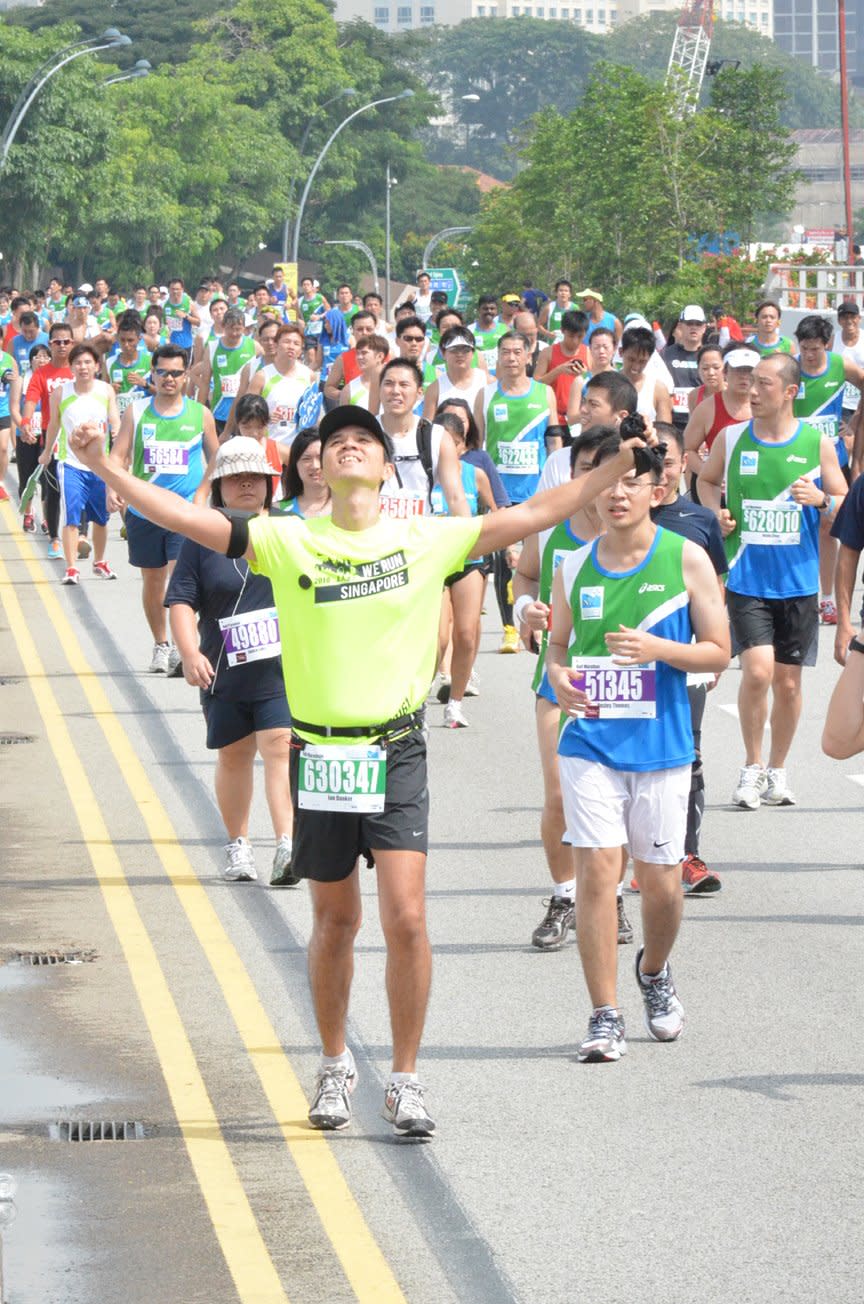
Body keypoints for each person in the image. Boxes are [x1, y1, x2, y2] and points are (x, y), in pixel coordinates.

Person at [70, 399, 652, 1137]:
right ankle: (336, 1062)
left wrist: (621, 464)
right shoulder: (286, 540)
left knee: (407, 916)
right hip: (319, 751)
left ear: (384, 466)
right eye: (335, 441)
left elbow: (536, 511)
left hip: (396, 748)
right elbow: (187, 522)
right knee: (335, 920)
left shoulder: (426, 538)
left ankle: (405, 1078)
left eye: (363, 442)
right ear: (318, 464)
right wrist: (101, 464)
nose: (348, 448)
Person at [547, 428, 730, 1061]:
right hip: (589, 742)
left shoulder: (685, 557)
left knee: (661, 885)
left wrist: (659, 651)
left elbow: (719, 651)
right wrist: (558, 681)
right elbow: (559, 650)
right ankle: (604, 1013)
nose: (618, 493)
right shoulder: (573, 564)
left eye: (632, 481)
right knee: (599, 873)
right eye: (608, 481)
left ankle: (653, 970)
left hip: (662, 748)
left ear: (657, 489)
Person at [698, 352, 847, 809]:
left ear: (789, 392)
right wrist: (714, 515)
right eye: (750, 382)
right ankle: (752, 764)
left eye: (764, 383)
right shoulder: (732, 437)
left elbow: (842, 500)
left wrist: (821, 498)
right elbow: (705, 481)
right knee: (758, 672)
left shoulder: (816, 444)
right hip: (746, 577)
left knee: (788, 684)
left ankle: (778, 769)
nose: (752, 391)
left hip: (798, 583)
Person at [513, 427, 628, 949]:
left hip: (622, 683)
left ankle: (612, 898)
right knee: (559, 793)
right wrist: (525, 609)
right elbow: (525, 579)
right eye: (583, 469)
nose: (592, 480)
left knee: (616, 799)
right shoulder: (551, 524)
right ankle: (564, 895)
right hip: (559, 678)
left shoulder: (633, 532)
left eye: (602, 469)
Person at [165, 437, 296, 887]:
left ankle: (287, 846)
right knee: (234, 755)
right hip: (223, 671)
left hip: (283, 670)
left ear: (269, 484)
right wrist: (188, 653)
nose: (245, 484)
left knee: (281, 748)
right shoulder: (202, 536)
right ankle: (238, 844)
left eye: (254, 477)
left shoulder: (290, 529)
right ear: (219, 485)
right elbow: (181, 599)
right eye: (234, 477)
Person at [648, 424, 728, 894]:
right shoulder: (619, 516)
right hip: (626, 664)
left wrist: (714, 652)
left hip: (685, 661)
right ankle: (639, 855)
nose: (661, 467)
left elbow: (716, 590)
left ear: (683, 465)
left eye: (669, 458)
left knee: (689, 755)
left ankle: (686, 855)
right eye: (652, 457)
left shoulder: (699, 520)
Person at [109, 343, 218, 673]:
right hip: (144, 512)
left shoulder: (200, 414)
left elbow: (217, 458)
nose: (169, 379)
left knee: (179, 580)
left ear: (186, 376)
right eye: (162, 372)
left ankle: (186, 649)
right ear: (152, 374)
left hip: (184, 514)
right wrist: (113, 487)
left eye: (175, 373)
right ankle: (161, 645)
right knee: (153, 582)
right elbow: (118, 456)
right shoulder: (138, 411)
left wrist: (202, 493)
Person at [475, 330, 560, 652]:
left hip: (536, 490)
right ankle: (510, 627)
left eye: (516, 352)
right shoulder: (486, 395)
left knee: (536, 559)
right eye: (505, 352)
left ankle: (541, 618)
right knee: (501, 561)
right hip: (500, 492)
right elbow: (479, 446)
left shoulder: (544, 393)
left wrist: (557, 475)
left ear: (528, 356)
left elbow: (553, 438)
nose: (511, 358)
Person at [430, 409, 499, 728]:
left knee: (467, 634)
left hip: (470, 560)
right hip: (435, 561)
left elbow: (495, 512)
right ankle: (416, 702)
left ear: (462, 445)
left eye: (454, 442)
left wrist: (507, 546)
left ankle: (454, 704)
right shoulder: (425, 473)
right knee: (439, 638)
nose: (448, 448)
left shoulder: (476, 474)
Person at [793, 314, 864, 625]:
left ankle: (827, 600)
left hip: (832, 461)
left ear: (827, 344)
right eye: (805, 347)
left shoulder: (840, 365)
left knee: (829, 526)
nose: (809, 354)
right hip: (795, 459)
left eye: (815, 348)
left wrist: (855, 420)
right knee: (794, 529)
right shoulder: (790, 368)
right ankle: (799, 595)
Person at [38, 342, 121, 585]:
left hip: (99, 465)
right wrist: (46, 453)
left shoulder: (105, 390)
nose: (83, 367)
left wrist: (117, 439)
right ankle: (72, 567)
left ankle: (100, 561)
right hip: (70, 463)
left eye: (87, 363)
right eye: (78, 363)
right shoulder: (61, 392)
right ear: (71, 366)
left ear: (96, 365)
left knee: (102, 519)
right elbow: (53, 424)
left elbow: (114, 419)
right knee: (71, 516)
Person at [21, 321, 76, 559]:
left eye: (66, 342)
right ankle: (54, 538)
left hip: (78, 438)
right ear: (50, 343)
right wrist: (25, 422)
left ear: (72, 343)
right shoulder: (41, 375)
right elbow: (31, 400)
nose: (62, 346)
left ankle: (79, 535)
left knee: (76, 489)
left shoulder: (79, 369)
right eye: (57, 342)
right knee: (52, 490)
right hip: (51, 438)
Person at [683, 345, 757, 498]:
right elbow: (687, 449)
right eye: (738, 370)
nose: (744, 376)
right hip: (717, 494)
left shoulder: (768, 405)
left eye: (749, 370)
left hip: (755, 492)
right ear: (725, 373)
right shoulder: (707, 408)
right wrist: (709, 474)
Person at [11, 342, 50, 531]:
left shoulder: (53, 381)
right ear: (31, 360)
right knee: (26, 477)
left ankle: (47, 517)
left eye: (45, 356)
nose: (41, 360)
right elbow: (14, 409)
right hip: (25, 436)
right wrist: (24, 428)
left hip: (46, 436)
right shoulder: (21, 380)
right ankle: (28, 513)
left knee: (47, 480)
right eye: (37, 357)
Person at [199, 307, 257, 435]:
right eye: (231, 328)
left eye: (239, 329)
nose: (235, 333)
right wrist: (199, 412)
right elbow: (204, 382)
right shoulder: (212, 347)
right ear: (223, 326)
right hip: (220, 411)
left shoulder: (253, 346)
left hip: (245, 414)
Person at [534, 310, 591, 424]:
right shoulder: (548, 353)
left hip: (579, 418)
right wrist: (558, 370)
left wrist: (584, 375)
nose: (575, 341)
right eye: (571, 336)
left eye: (580, 336)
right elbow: (536, 385)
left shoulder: (588, 352)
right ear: (562, 331)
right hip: (553, 416)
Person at [421, 327, 487, 418]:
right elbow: (427, 426)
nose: (460, 354)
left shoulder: (487, 381)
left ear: (473, 353)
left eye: (465, 350)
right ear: (443, 353)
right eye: (454, 350)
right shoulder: (434, 390)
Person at [662, 305, 707, 430]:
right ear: (681, 326)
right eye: (689, 323)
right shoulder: (666, 354)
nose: (694, 327)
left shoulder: (710, 355)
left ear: (704, 328)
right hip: (674, 421)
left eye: (698, 324)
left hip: (703, 419)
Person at [619, 326, 673, 425]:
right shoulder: (608, 383)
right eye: (631, 359)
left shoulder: (658, 389)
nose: (636, 366)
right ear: (621, 352)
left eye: (642, 361)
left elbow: (665, 430)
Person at [281, 427, 331, 519]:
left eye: (320, 457)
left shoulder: (348, 507)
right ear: (295, 465)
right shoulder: (279, 511)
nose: (315, 466)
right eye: (306, 459)